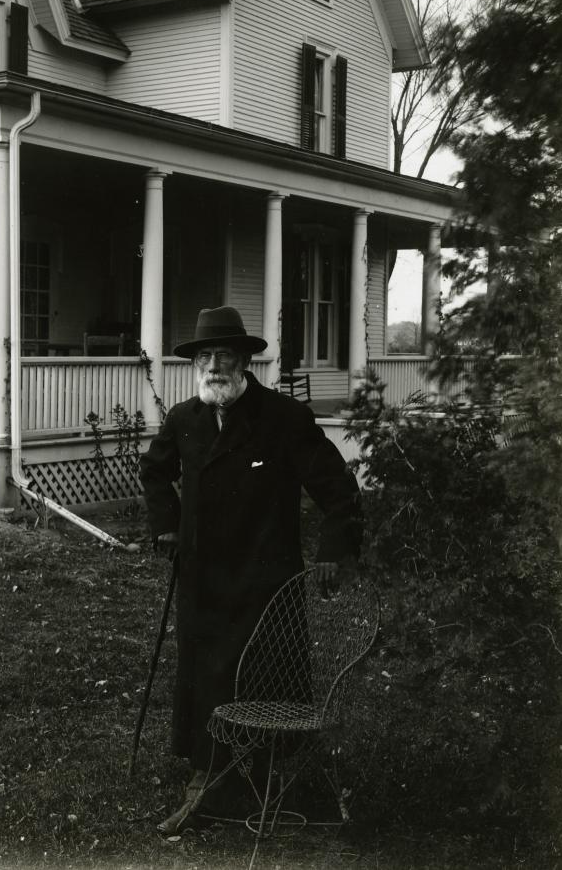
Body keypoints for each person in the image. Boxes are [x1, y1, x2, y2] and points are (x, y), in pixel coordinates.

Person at [139, 305, 363, 835]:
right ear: (196, 364)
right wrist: (166, 523)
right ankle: (207, 774)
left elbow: (337, 490)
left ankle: (251, 777)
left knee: (258, 678)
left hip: (266, 579)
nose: (214, 366)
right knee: (205, 674)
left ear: (245, 361)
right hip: (202, 577)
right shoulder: (184, 419)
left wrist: (332, 552)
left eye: (224, 355)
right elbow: (154, 472)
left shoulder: (284, 420)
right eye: (205, 357)